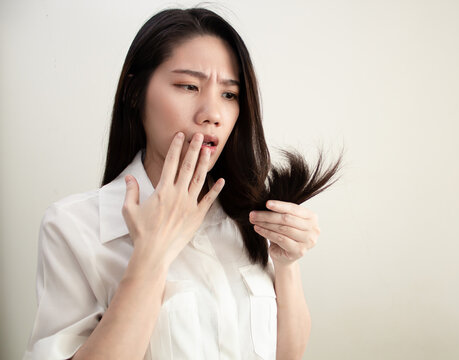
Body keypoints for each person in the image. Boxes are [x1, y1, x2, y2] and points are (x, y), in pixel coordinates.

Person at [24, 7, 340, 360]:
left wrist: (286, 263)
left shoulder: (250, 217)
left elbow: (288, 355)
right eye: (188, 86)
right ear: (133, 92)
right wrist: (151, 255)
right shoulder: (73, 226)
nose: (212, 114)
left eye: (229, 95)